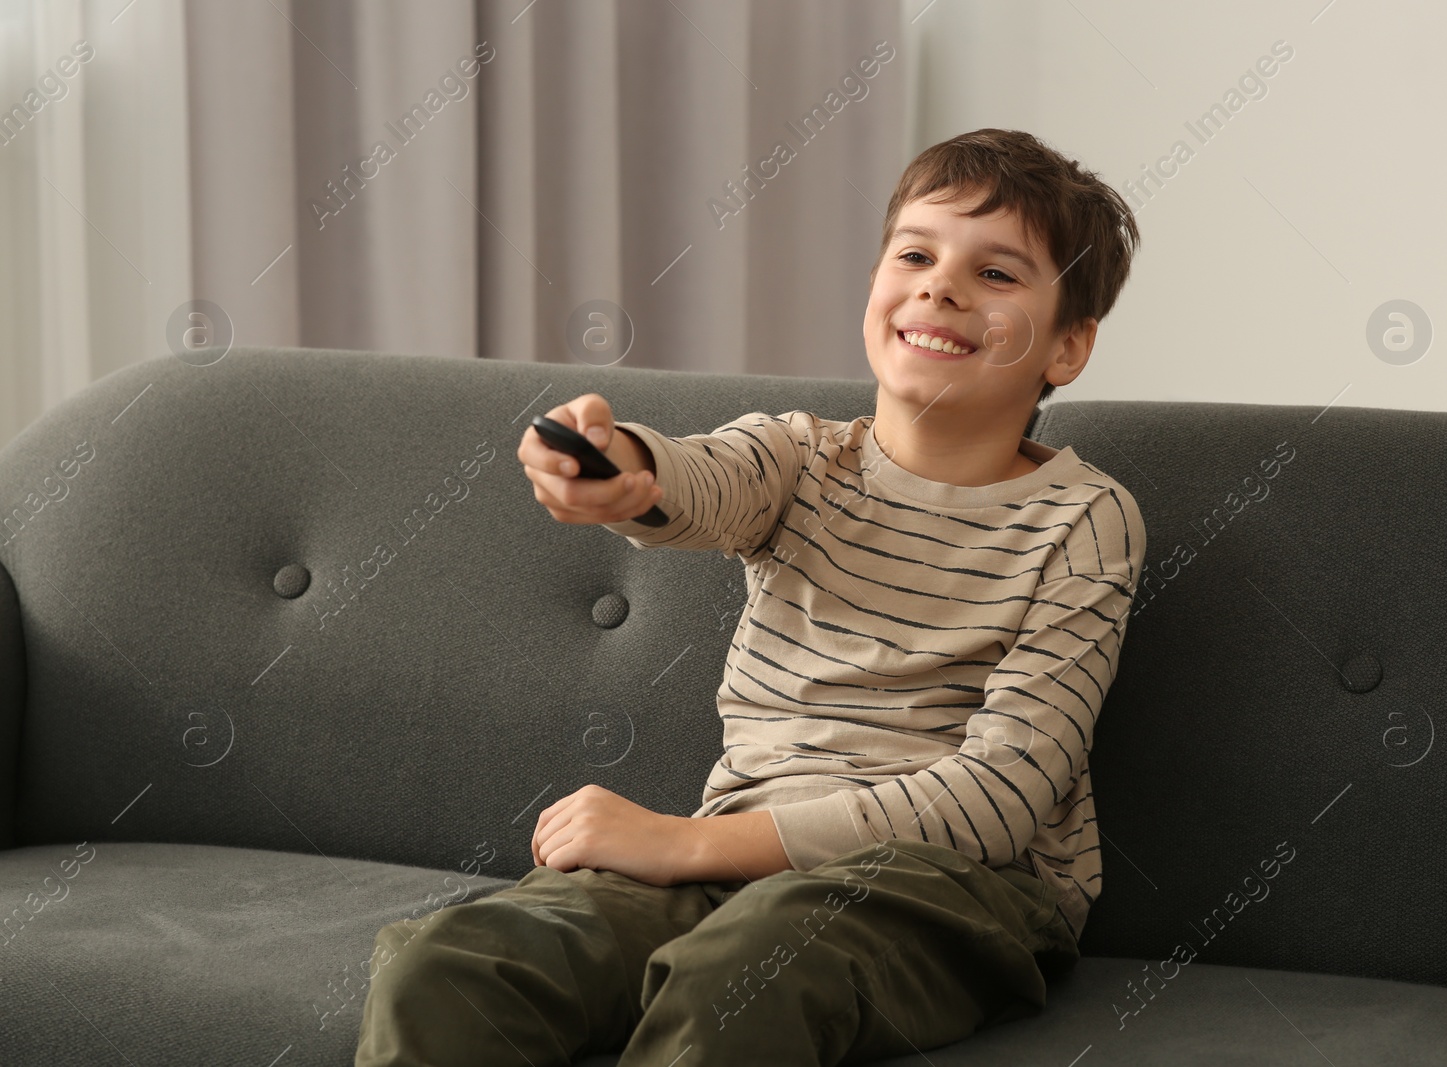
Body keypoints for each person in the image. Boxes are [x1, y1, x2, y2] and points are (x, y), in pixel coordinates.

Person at [354, 127, 1145, 1067]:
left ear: (1069, 345)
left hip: (959, 888)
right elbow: (693, 478)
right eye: (916, 254)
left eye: (999, 274)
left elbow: (1000, 799)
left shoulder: (1084, 517)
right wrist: (625, 472)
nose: (941, 285)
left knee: (744, 974)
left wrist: (685, 844)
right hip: (744, 867)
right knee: (449, 964)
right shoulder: (801, 458)